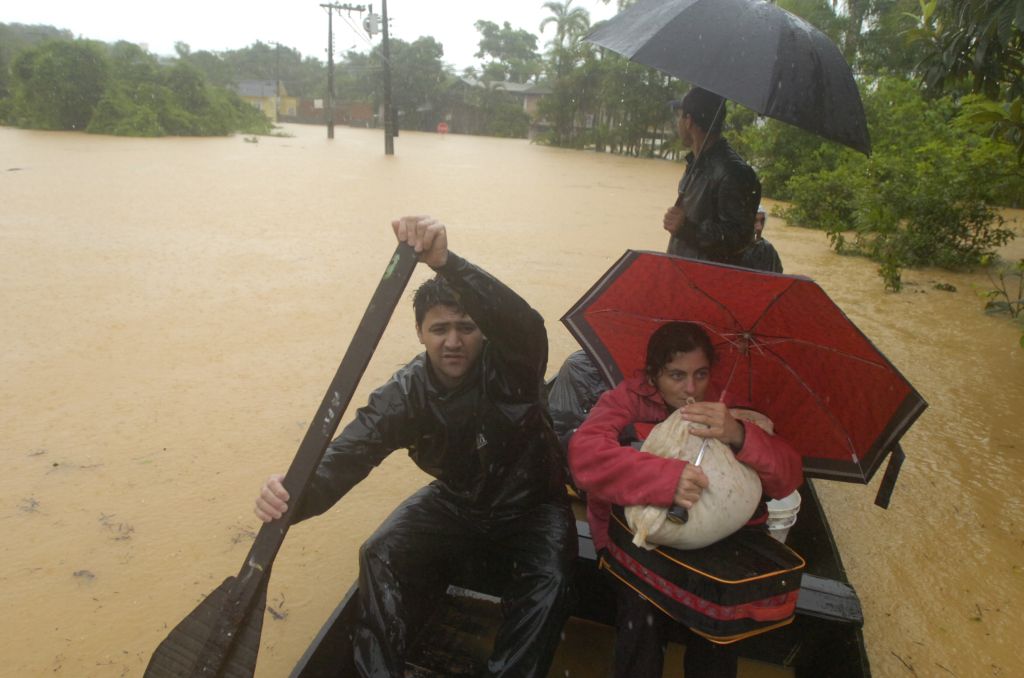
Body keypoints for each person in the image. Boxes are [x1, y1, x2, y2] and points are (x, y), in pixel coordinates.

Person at [254, 216, 576, 677]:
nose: (453, 341)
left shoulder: (513, 367)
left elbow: (524, 324)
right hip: (459, 502)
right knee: (379, 552)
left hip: (533, 507)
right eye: (439, 329)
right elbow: (347, 456)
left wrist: (448, 264)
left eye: (466, 327)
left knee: (552, 581)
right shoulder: (404, 394)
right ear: (420, 334)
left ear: (484, 331)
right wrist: (290, 494)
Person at [567, 321, 803, 678]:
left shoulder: (729, 405)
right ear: (654, 375)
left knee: (718, 630)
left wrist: (739, 434)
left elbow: (787, 479)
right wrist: (665, 479)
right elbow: (584, 456)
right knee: (640, 616)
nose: (691, 388)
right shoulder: (628, 399)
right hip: (641, 544)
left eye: (700, 374)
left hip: (726, 546)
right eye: (676, 376)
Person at [663, 88, 761, 265]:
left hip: (705, 278)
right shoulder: (696, 163)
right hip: (682, 272)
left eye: (679, 116)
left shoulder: (734, 172)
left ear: (689, 121)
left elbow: (739, 238)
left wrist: (686, 229)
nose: (678, 123)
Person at [738, 204, 784, 273]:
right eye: (754, 221)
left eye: (762, 221)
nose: (759, 227)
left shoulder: (768, 250)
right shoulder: (732, 249)